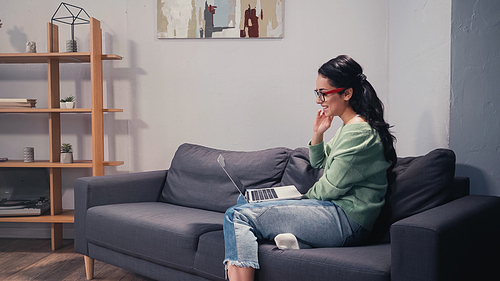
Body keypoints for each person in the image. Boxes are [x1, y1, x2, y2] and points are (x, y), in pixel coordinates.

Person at [223, 55, 397, 281]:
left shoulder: (359, 133)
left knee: (236, 216)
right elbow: (320, 163)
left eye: (323, 93)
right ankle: (299, 241)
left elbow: (329, 189)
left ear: (347, 93)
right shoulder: (350, 127)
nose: (318, 100)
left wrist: (298, 199)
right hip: (336, 212)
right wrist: (318, 133)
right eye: (317, 93)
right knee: (245, 202)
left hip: (347, 221)